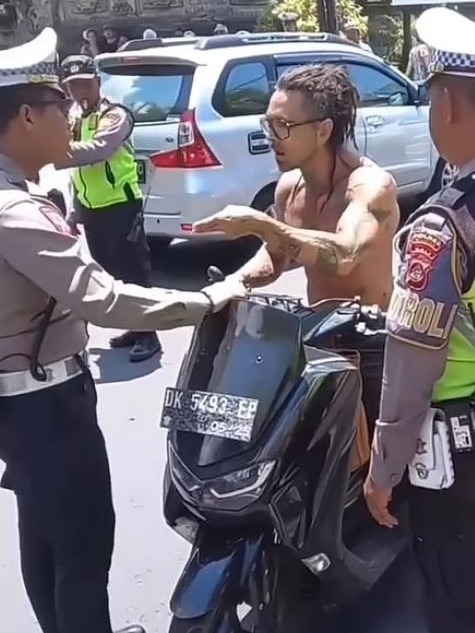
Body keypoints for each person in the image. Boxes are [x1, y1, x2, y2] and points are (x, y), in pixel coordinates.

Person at [0, 27, 244, 633]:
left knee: (46, 538)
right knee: (80, 550)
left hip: (25, 405)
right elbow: (101, 299)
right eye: (60, 108)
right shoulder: (15, 210)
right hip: (47, 406)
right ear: (28, 116)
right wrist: (208, 298)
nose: (70, 120)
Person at [193, 64, 399, 431]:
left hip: (371, 351)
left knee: (367, 477)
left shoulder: (371, 186)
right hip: (315, 342)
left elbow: (345, 255)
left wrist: (261, 223)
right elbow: (275, 258)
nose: (272, 136)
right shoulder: (289, 188)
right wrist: (232, 285)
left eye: (283, 126)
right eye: (269, 124)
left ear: (323, 130)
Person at [363, 8, 475, 633]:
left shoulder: (443, 225)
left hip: (457, 447)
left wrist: (383, 470)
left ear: (450, 106)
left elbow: (410, 365)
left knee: (454, 593)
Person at [58, 54, 161, 362]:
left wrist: (49, 152)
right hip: (92, 208)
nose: (80, 93)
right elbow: (80, 174)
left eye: (85, 84)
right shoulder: (76, 116)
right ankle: (134, 327)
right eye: (73, 87)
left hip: (120, 205)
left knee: (134, 273)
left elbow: (100, 150)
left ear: (98, 82)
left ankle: (150, 335)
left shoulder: (114, 114)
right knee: (112, 273)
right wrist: (76, 208)